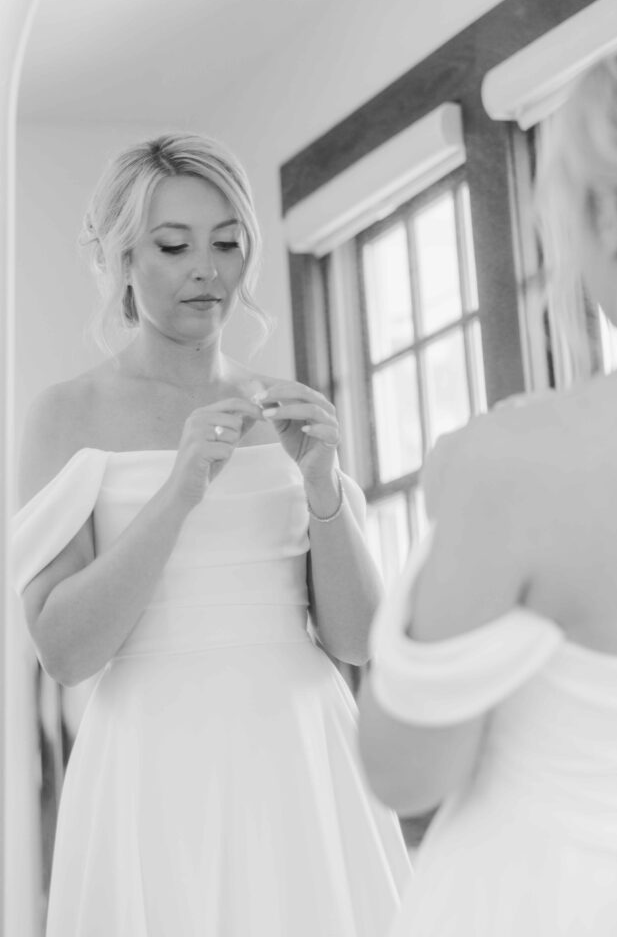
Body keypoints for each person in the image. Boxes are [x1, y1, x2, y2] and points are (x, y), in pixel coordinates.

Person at [358, 29, 617, 936]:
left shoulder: (518, 462)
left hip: (534, 898)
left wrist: (447, 528)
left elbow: (405, 774)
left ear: (608, 220)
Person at [13, 133, 410, 937]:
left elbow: (362, 638)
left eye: (228, 243)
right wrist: (179, 491)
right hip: (154, 757)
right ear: (122, 257)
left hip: (304, 751)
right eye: (173, 244)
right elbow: (64, 651)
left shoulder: (291, 406)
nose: (208, 268)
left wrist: (324, 488)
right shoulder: (67, 414)